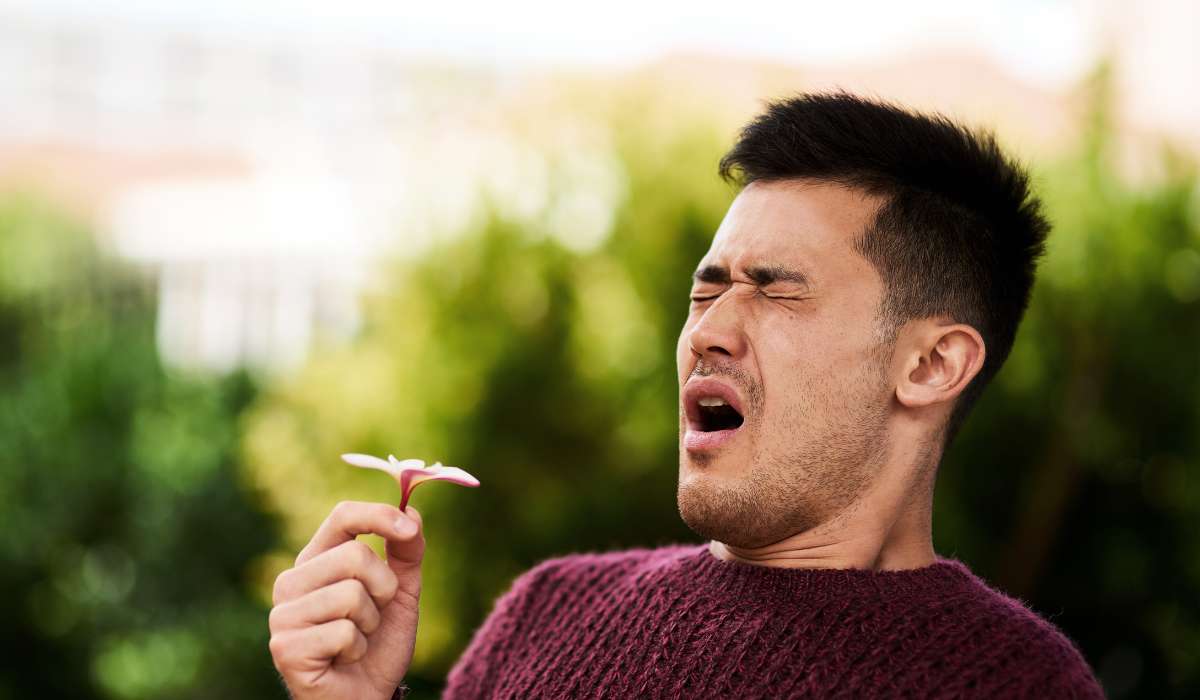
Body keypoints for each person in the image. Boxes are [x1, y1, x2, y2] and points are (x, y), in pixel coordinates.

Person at [267, 92, 1105, 699]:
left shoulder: (1011, 680)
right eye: (706, 291)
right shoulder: (547, 612)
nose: (709, 330)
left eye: (775, 292)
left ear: (930, 366)